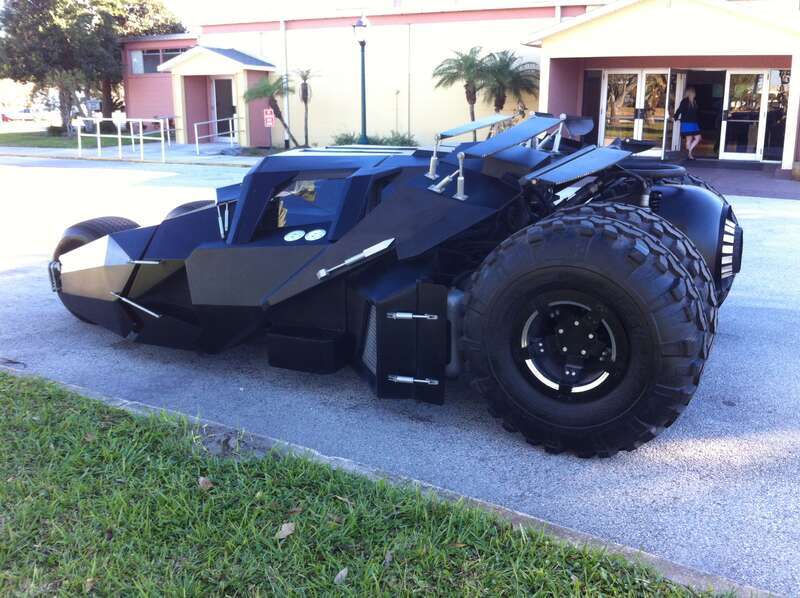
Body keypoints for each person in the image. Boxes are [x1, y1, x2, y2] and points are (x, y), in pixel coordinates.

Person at [674, 87, 702, 160]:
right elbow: (679, 110)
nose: (695, 94)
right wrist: (675, 117)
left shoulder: (694, 101)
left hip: (693, 123)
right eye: (694, 92)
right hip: (687, 123)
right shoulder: (685, 101)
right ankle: (689, 154)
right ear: (692, 93)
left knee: (697, 138)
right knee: (690, 139)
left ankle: (689, 153)